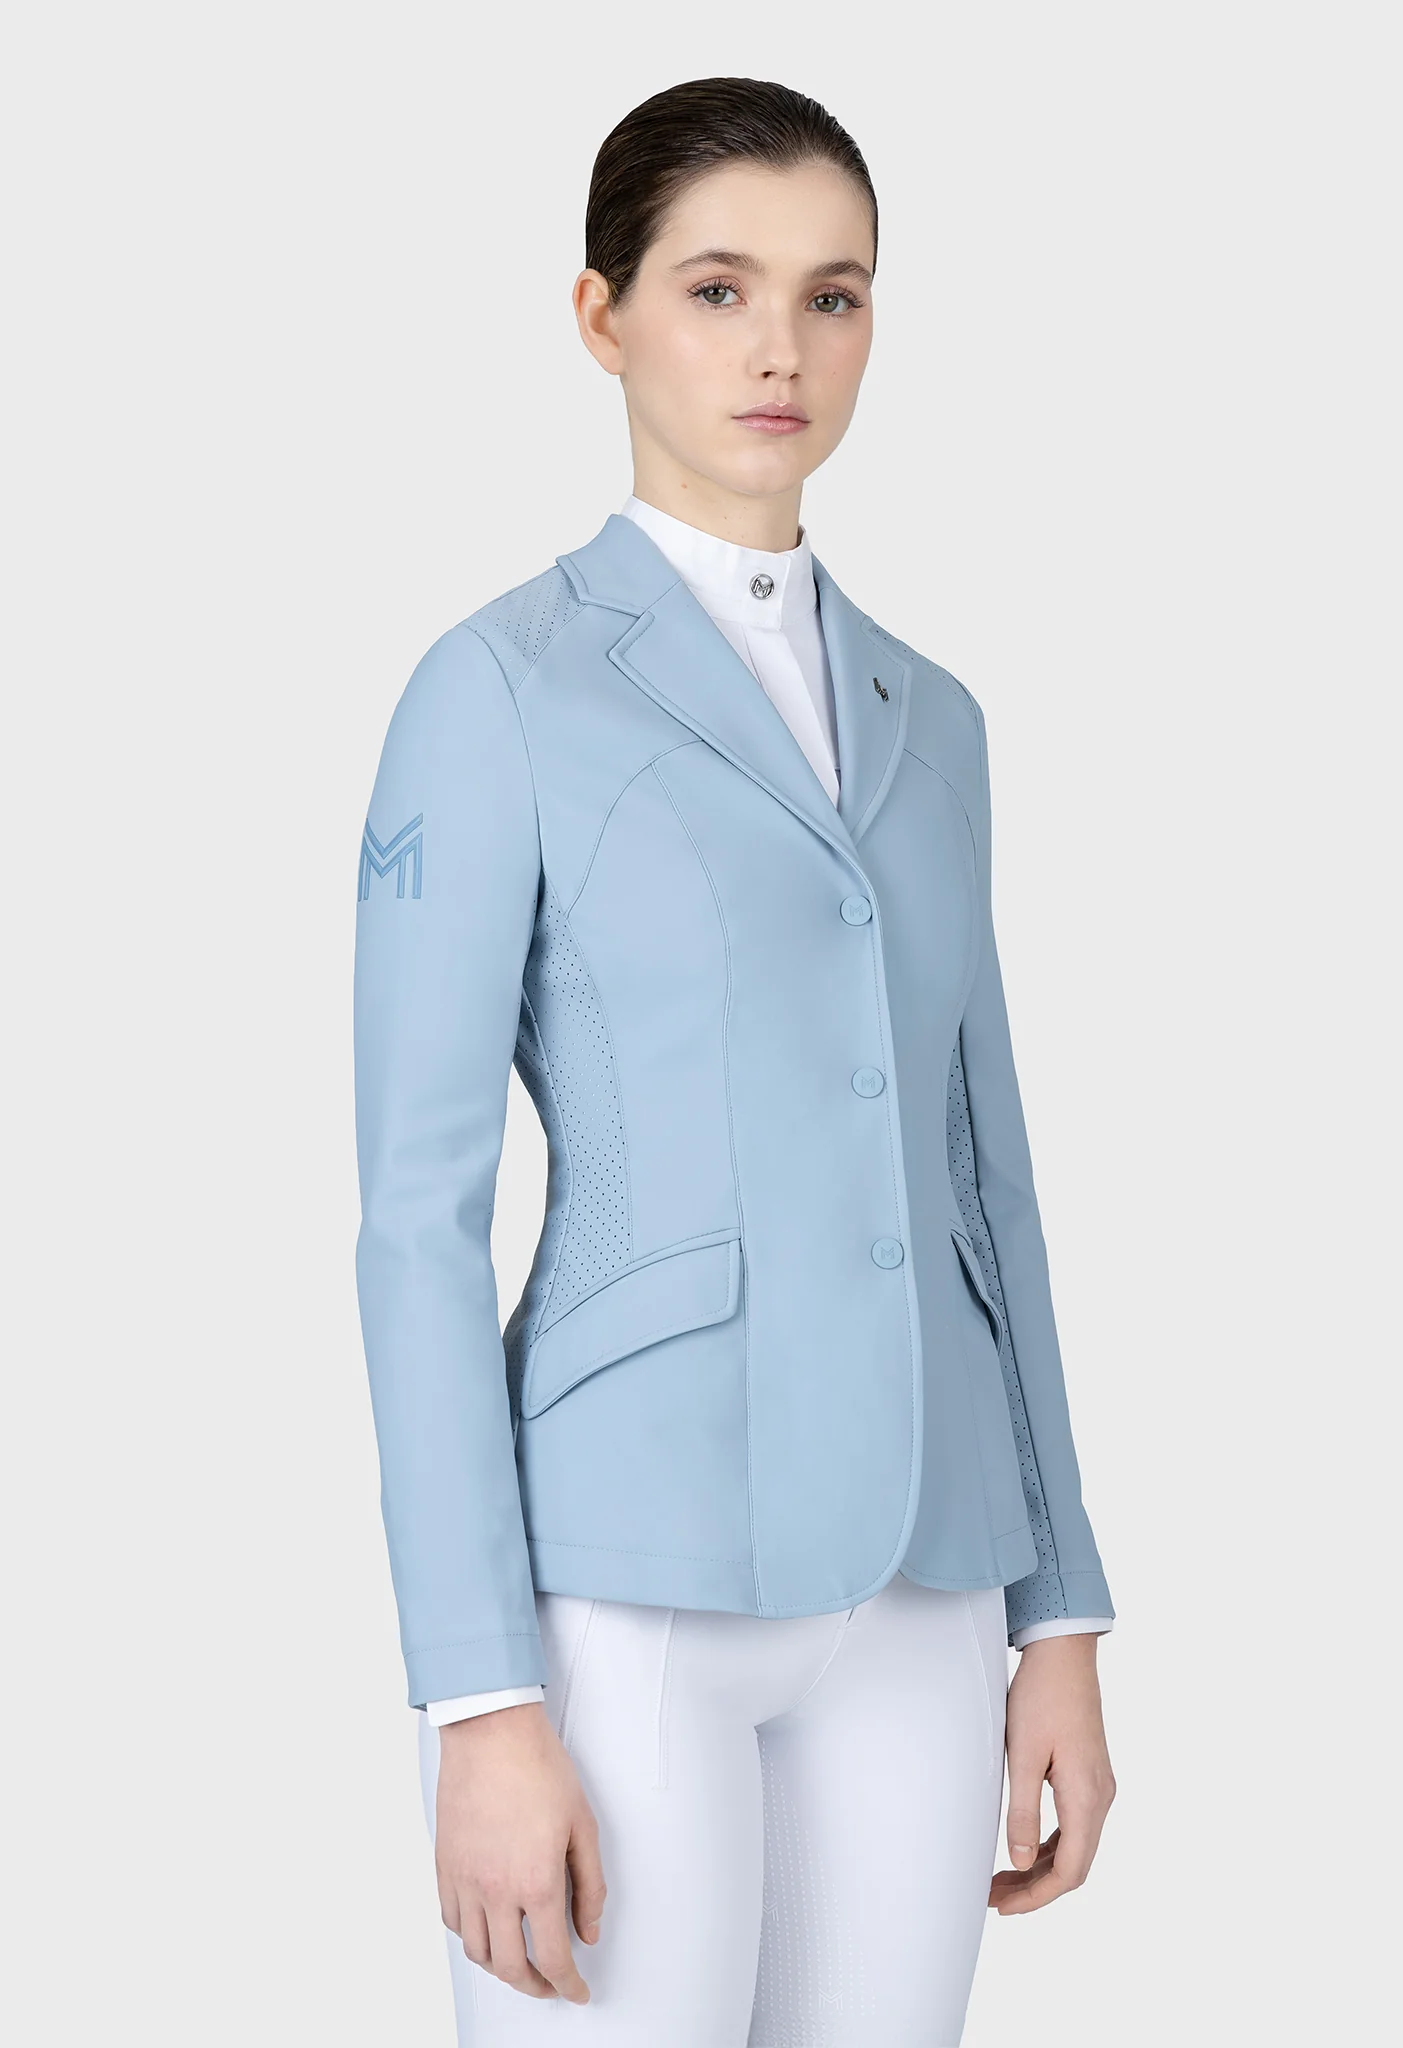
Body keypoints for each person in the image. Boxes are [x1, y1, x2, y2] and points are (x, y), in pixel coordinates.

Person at [353, 75, 1116, 2047]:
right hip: (630, 1584)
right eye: (717, 289)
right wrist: (478, 1693)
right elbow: (417, 1221)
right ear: (599, 317)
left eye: (830, 295)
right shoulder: (497, 689)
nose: (780, 346)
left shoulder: (934, 719)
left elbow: (985, 1182)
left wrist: (1057, 1611)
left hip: (926, 1581)